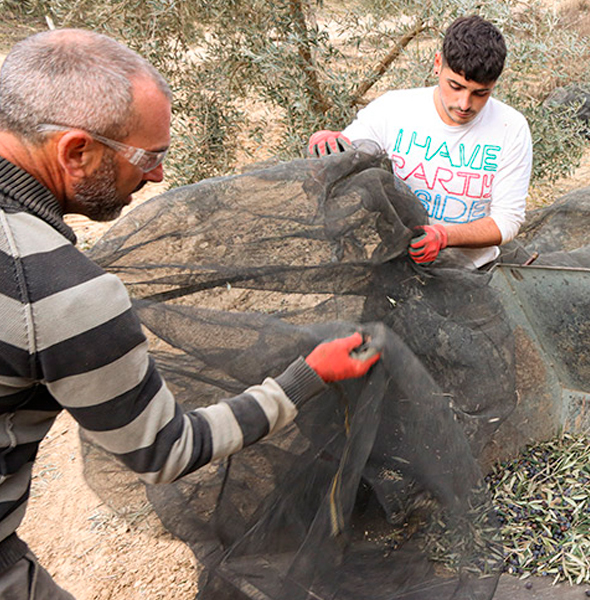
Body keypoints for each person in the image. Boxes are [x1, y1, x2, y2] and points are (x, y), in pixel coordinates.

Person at [0, 29, 380, 598]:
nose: (156, 177)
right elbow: (167, 449)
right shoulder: (59, 294)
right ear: (76, 152)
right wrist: (310, 376)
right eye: (147, 157)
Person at [308, 15, 533, 270]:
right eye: (455, 86)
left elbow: (507, 221)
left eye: (480, 93)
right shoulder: (394, 108)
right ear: (438, 64)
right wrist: (328, 147)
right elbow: (353, 154)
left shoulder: (511, 128)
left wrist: (444, 236)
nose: (465, 104)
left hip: (473, 275)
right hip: (397, 265)